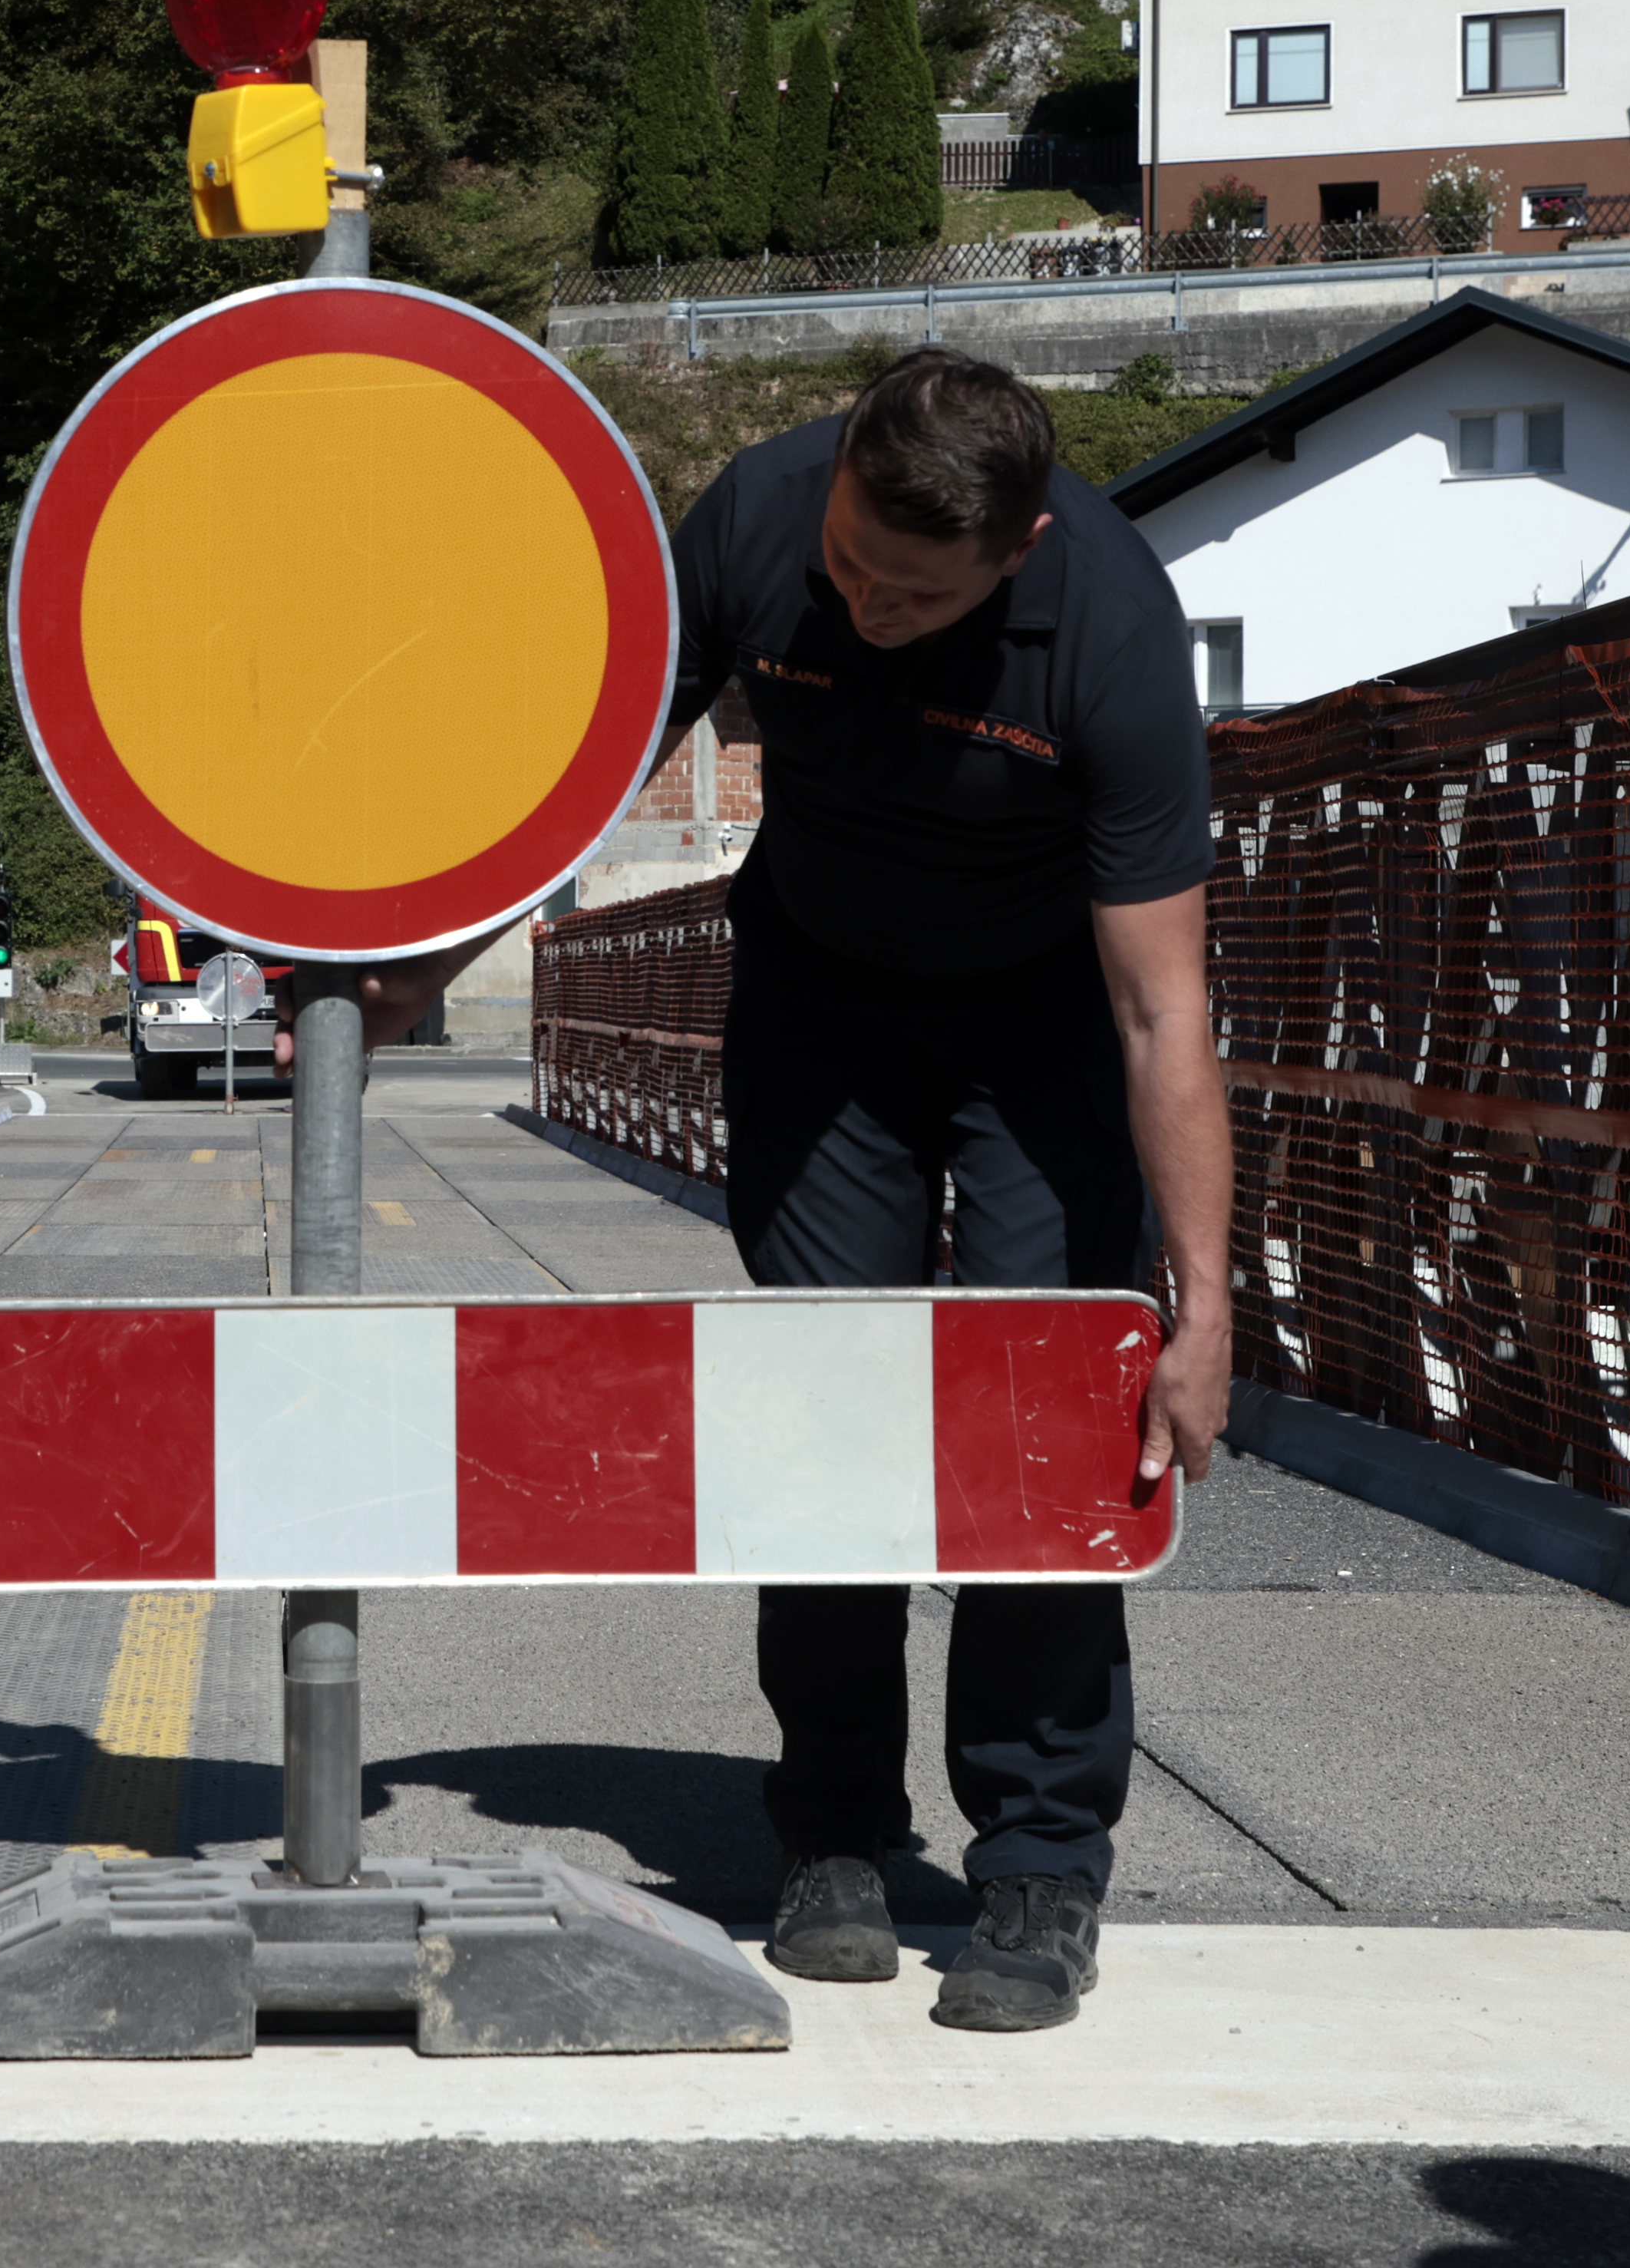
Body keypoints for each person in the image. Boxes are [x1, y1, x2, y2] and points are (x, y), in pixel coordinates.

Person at [347, 348, 1229, 2032]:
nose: (864, 608)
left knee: (1036, 1423)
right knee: (825, 1403)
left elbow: (1157, 1003)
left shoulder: (1109, 630)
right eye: (845, 571)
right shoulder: (754, 509)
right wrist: (431, 959)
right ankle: (830, 1830)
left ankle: (1037, 1866)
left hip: (1043, 1022)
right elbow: (586, 759)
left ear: (1016, 549)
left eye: (910, 596)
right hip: (822, 996)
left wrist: (1196, 1303)